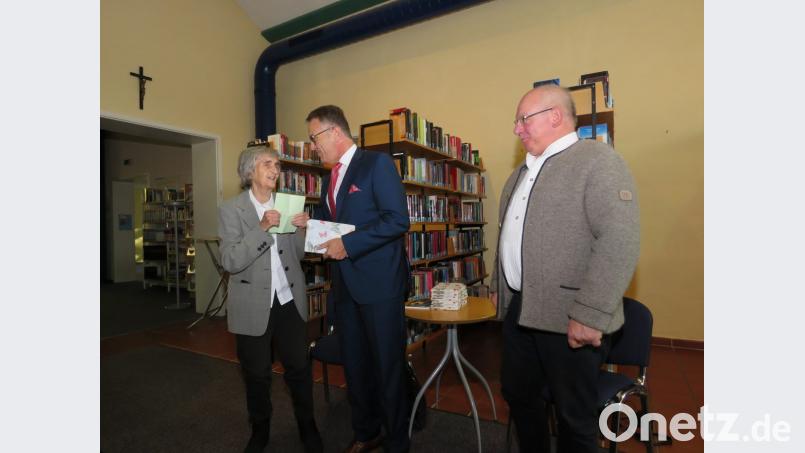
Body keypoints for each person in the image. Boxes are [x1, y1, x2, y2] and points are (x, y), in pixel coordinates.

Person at [490, 85, 640, 452]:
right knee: (519, 395)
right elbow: (508, 235)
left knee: (574, 417)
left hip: (571, 317)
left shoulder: (598, 161)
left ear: (555, 116)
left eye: (523, 119)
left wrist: (590, 313)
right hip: (521, 311)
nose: (517, 129)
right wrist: (499, 285)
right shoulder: (518, 175)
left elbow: (619, 239)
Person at [306, 105, 411, 453]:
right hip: (345, 289)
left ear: (335, 132)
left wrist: (348, 245)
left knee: (387, 367)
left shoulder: (377, 165)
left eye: (314, 138)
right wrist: (310, 224)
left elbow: (397, 220)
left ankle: (397, 442)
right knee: (355, 366)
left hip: (380, 287)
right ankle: (366, 432)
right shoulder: (327, 180)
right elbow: (332, 223)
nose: (313, 147)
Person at [218, 146, 323, 453]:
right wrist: (262, 228)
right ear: (249, 171)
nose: (275, 169)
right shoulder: (231, 209)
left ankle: (308, 427)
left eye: (277, 164)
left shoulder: (288, 204)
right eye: (267, 163)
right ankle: (260, 431)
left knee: (299, 369)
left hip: (289, 300)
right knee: (256, 374)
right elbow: (230, 260)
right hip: (252, 304)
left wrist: (302, 229)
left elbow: (299, 254)